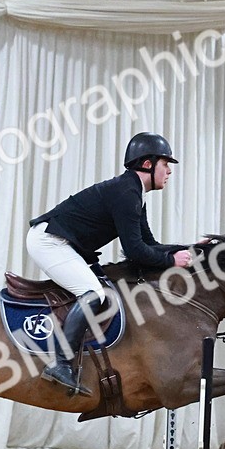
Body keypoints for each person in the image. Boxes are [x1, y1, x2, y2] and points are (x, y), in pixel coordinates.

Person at [26, 132, 196, 395]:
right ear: (148, 164)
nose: (169, 172)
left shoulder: (133, 192)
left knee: (103, 289)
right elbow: (135, 251)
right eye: (166, 164)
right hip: (49, 242)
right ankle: (61, 365)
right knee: (93, 293)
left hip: (64, 243)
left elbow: (149, 243)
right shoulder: (126, 192)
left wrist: (190, 250)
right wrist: (171, 260)